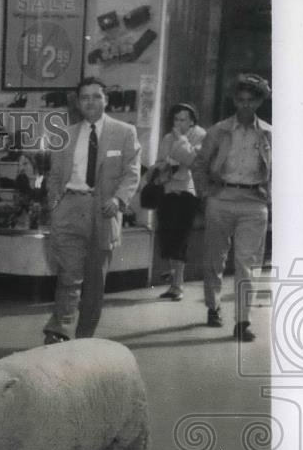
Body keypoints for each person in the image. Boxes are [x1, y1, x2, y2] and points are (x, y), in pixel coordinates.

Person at [43, 77, 141, 344]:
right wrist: (55, 203)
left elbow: (132, 173)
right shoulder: (66, 134)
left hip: (104, 211)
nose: (90, 102)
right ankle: (60, 329)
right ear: (78, 102)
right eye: (84, 97)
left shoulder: (124, 132)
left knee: (95, 282)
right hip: (70, 207)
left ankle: (85, 337)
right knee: (69, 274)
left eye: (96, 96)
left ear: (105, 99)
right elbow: (53, 175)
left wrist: (119, 200)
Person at [193, 74, 272, 342]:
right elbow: (200, 164)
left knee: (247, 264)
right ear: (234, 100)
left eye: (251, 100)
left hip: (254, 203)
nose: (245, 105)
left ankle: (242, 321)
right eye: (241, 100)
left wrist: (269, 195)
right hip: (221, 199)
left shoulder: (270, 134)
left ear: (260, 101)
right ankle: (213, 306)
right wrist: (205, 194)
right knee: (216, 258)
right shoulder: (219, 131)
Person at [152, 103, 206, 301]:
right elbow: (160, 162)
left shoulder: (201, 135)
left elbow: (193, 159)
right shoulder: (167, 137)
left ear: (192, 120)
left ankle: (178, 285)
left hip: (188, 192)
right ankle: (173, 282)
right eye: (176, 119)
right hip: (168, 189)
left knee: (181, 236)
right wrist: (169, 164)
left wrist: (181, 143)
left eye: (183, 119)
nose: (179, 123)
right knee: (168, 235)